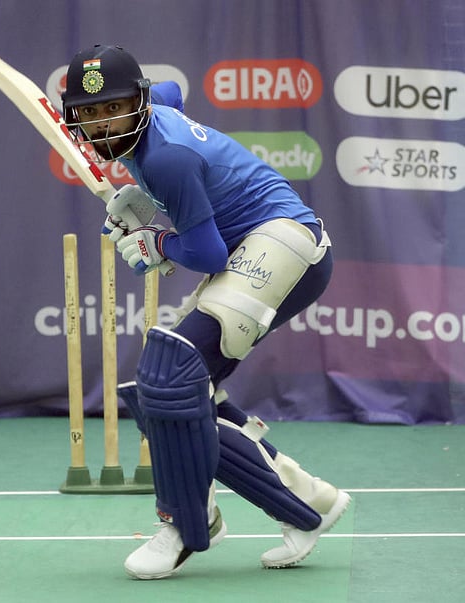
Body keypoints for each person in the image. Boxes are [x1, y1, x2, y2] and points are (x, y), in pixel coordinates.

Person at [61, 44, 350, 580]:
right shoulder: (155, 110)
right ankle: (308, 503)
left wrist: (157, 243)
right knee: (174, 391)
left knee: (171, 376)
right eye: (90, 114)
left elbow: (208, 254)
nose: (103, 126)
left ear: (139, 103)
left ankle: (186, 526)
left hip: (285, 241)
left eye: (114, 109)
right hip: (253, 246)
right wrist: (146, 204)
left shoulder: (167, 158)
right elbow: (173, 94)